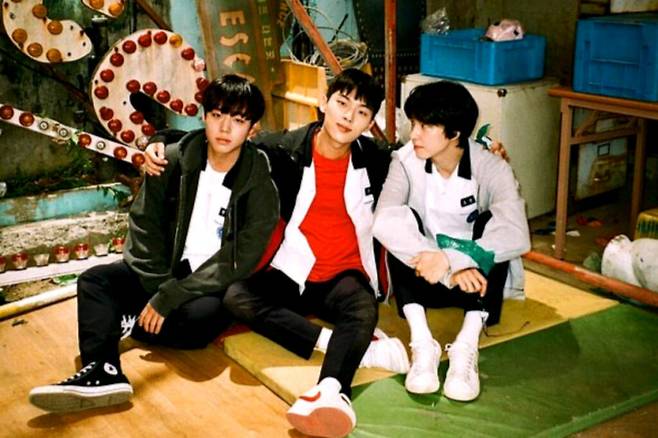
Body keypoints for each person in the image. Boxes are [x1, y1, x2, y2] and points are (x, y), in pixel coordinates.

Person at [144, 68, 409, 438]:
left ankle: (332, 389)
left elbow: (417, 154)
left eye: (362, 112)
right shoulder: (285, 148)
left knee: (362, 307)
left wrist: (480, 153)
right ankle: (340, 345)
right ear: (324, 103)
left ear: (369, 122)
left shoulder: (375, 159)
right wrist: (158, 141)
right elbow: (217, 138)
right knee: (237, 296)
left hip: (344, 273)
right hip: (294, 269)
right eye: (342, 103)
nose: (349, 117)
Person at [28, 75, 280, 412]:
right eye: (217, 115)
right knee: (94, 280)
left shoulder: (259, 185)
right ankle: (103, 369)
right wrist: (160, 289)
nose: (225, 128)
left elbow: (239, 258)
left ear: (252, 129)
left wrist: (171, 296)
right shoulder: (171, 161)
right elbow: (144, 224)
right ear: (204, 116)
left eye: (238, 120)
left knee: (198, 322)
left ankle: (126, 320)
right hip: (162, 270)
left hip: (207, 282)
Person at [372, 80, 530, 402]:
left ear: (455, 132)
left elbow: (516, 233)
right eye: (413, 123)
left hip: (475, 285)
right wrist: (442, 266)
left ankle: (466, 346)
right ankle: (423, 343)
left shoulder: (491, 166)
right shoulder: (404, 161)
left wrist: (455, 259)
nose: (414, 134)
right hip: (425, 276)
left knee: (492, 226)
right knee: (402, 222)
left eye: (425, 126)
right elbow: (384, 219)